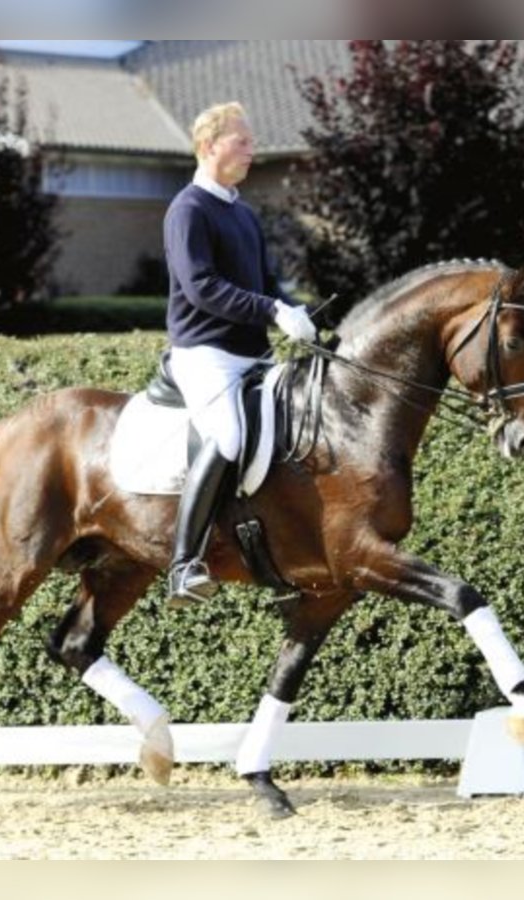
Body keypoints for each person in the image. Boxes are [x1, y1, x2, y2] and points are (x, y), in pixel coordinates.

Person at [163, 101, 317, 606]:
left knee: (294, 435)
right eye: (243, 141)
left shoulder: (243, 213)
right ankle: (185, 564)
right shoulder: (188, 209)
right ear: (210, 146)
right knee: (229, 435)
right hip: (205, 353)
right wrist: (273, 310)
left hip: (253, 356)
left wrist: (300, 314)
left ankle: (279, 557)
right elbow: (203, 286)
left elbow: (267, 284)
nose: (253, 150)